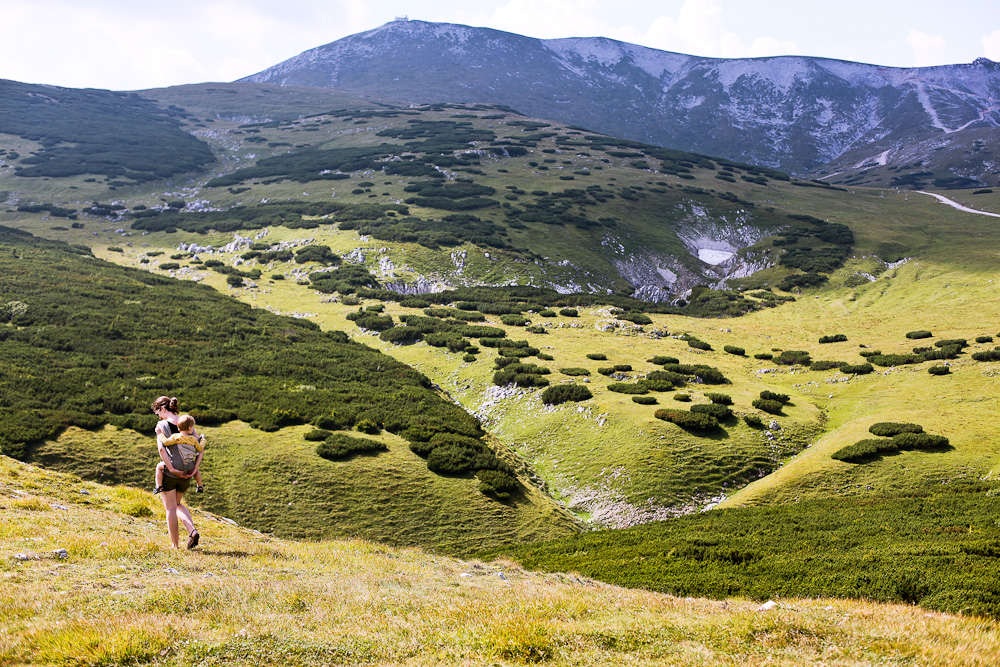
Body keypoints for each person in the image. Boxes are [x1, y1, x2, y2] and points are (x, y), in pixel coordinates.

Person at [151, 396, 202, 549]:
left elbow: (162, 449)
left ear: (163, 409)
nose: (158, 416)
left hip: (171, 472)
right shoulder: (186, 423)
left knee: (170, 508)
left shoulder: (161, 425)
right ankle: (192, 530)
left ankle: (175, 546)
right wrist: (194, 469)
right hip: (188, 472)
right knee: (178, 504)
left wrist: (172, 469)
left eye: (157, 412)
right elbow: (200, 448)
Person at [153, 414, 205, 495]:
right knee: (196, 470)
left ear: (178, 428)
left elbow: (166, 442)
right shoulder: (193, 439)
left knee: (159, 467)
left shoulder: (175, 437)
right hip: (189, 466)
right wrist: (203, 439)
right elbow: (200, 448)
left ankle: (159, 486)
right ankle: (200, 485)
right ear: (189, 428)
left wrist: (160, 434)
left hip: (176, 465)